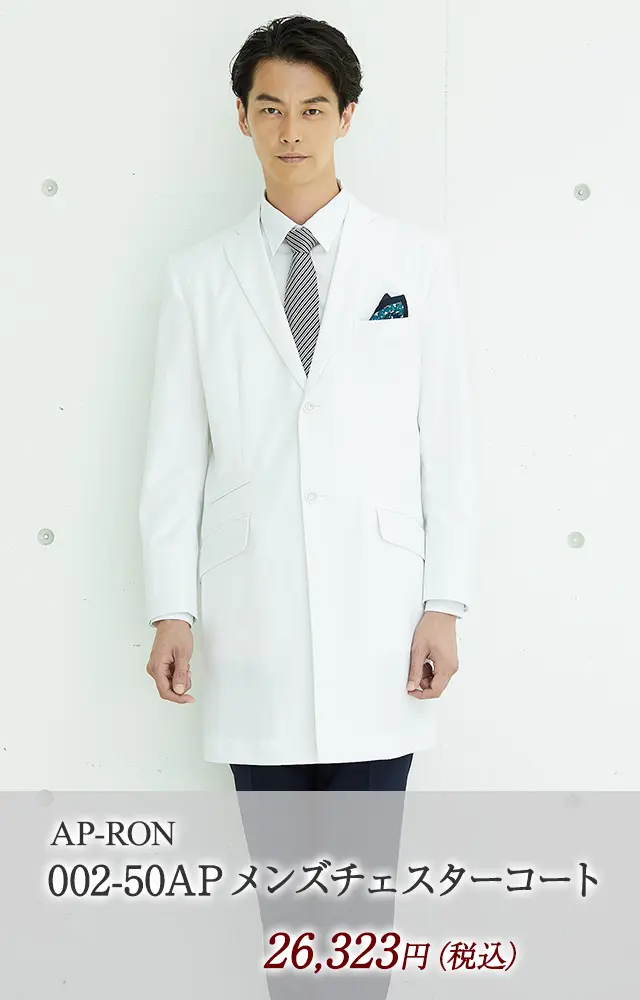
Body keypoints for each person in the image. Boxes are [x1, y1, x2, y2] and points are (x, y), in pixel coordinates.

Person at [139, 17, 474, 991]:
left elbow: (448, 444)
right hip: (254, 623)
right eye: (272, 108)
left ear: (347, 117)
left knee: (361, 907)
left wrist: (445, 601)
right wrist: (171, 609)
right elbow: (173, 460)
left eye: (314, 109)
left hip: (383, 616)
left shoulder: (414, 263)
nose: (293, 131)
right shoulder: (197, 278)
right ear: (242, 118)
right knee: (286, 908)